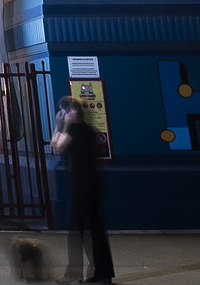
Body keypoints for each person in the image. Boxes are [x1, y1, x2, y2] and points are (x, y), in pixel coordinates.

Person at [52, 97, 113, 283]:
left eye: (64, 110)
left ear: (71, 111)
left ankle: (74, 273)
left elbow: (57, 146)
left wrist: (59, 124)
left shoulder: (73, 128)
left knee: (76, 230)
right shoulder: (87, 129)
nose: (63, 113)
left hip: (80, 184)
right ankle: (103, 273)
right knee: (95, 228)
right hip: (93, 182)